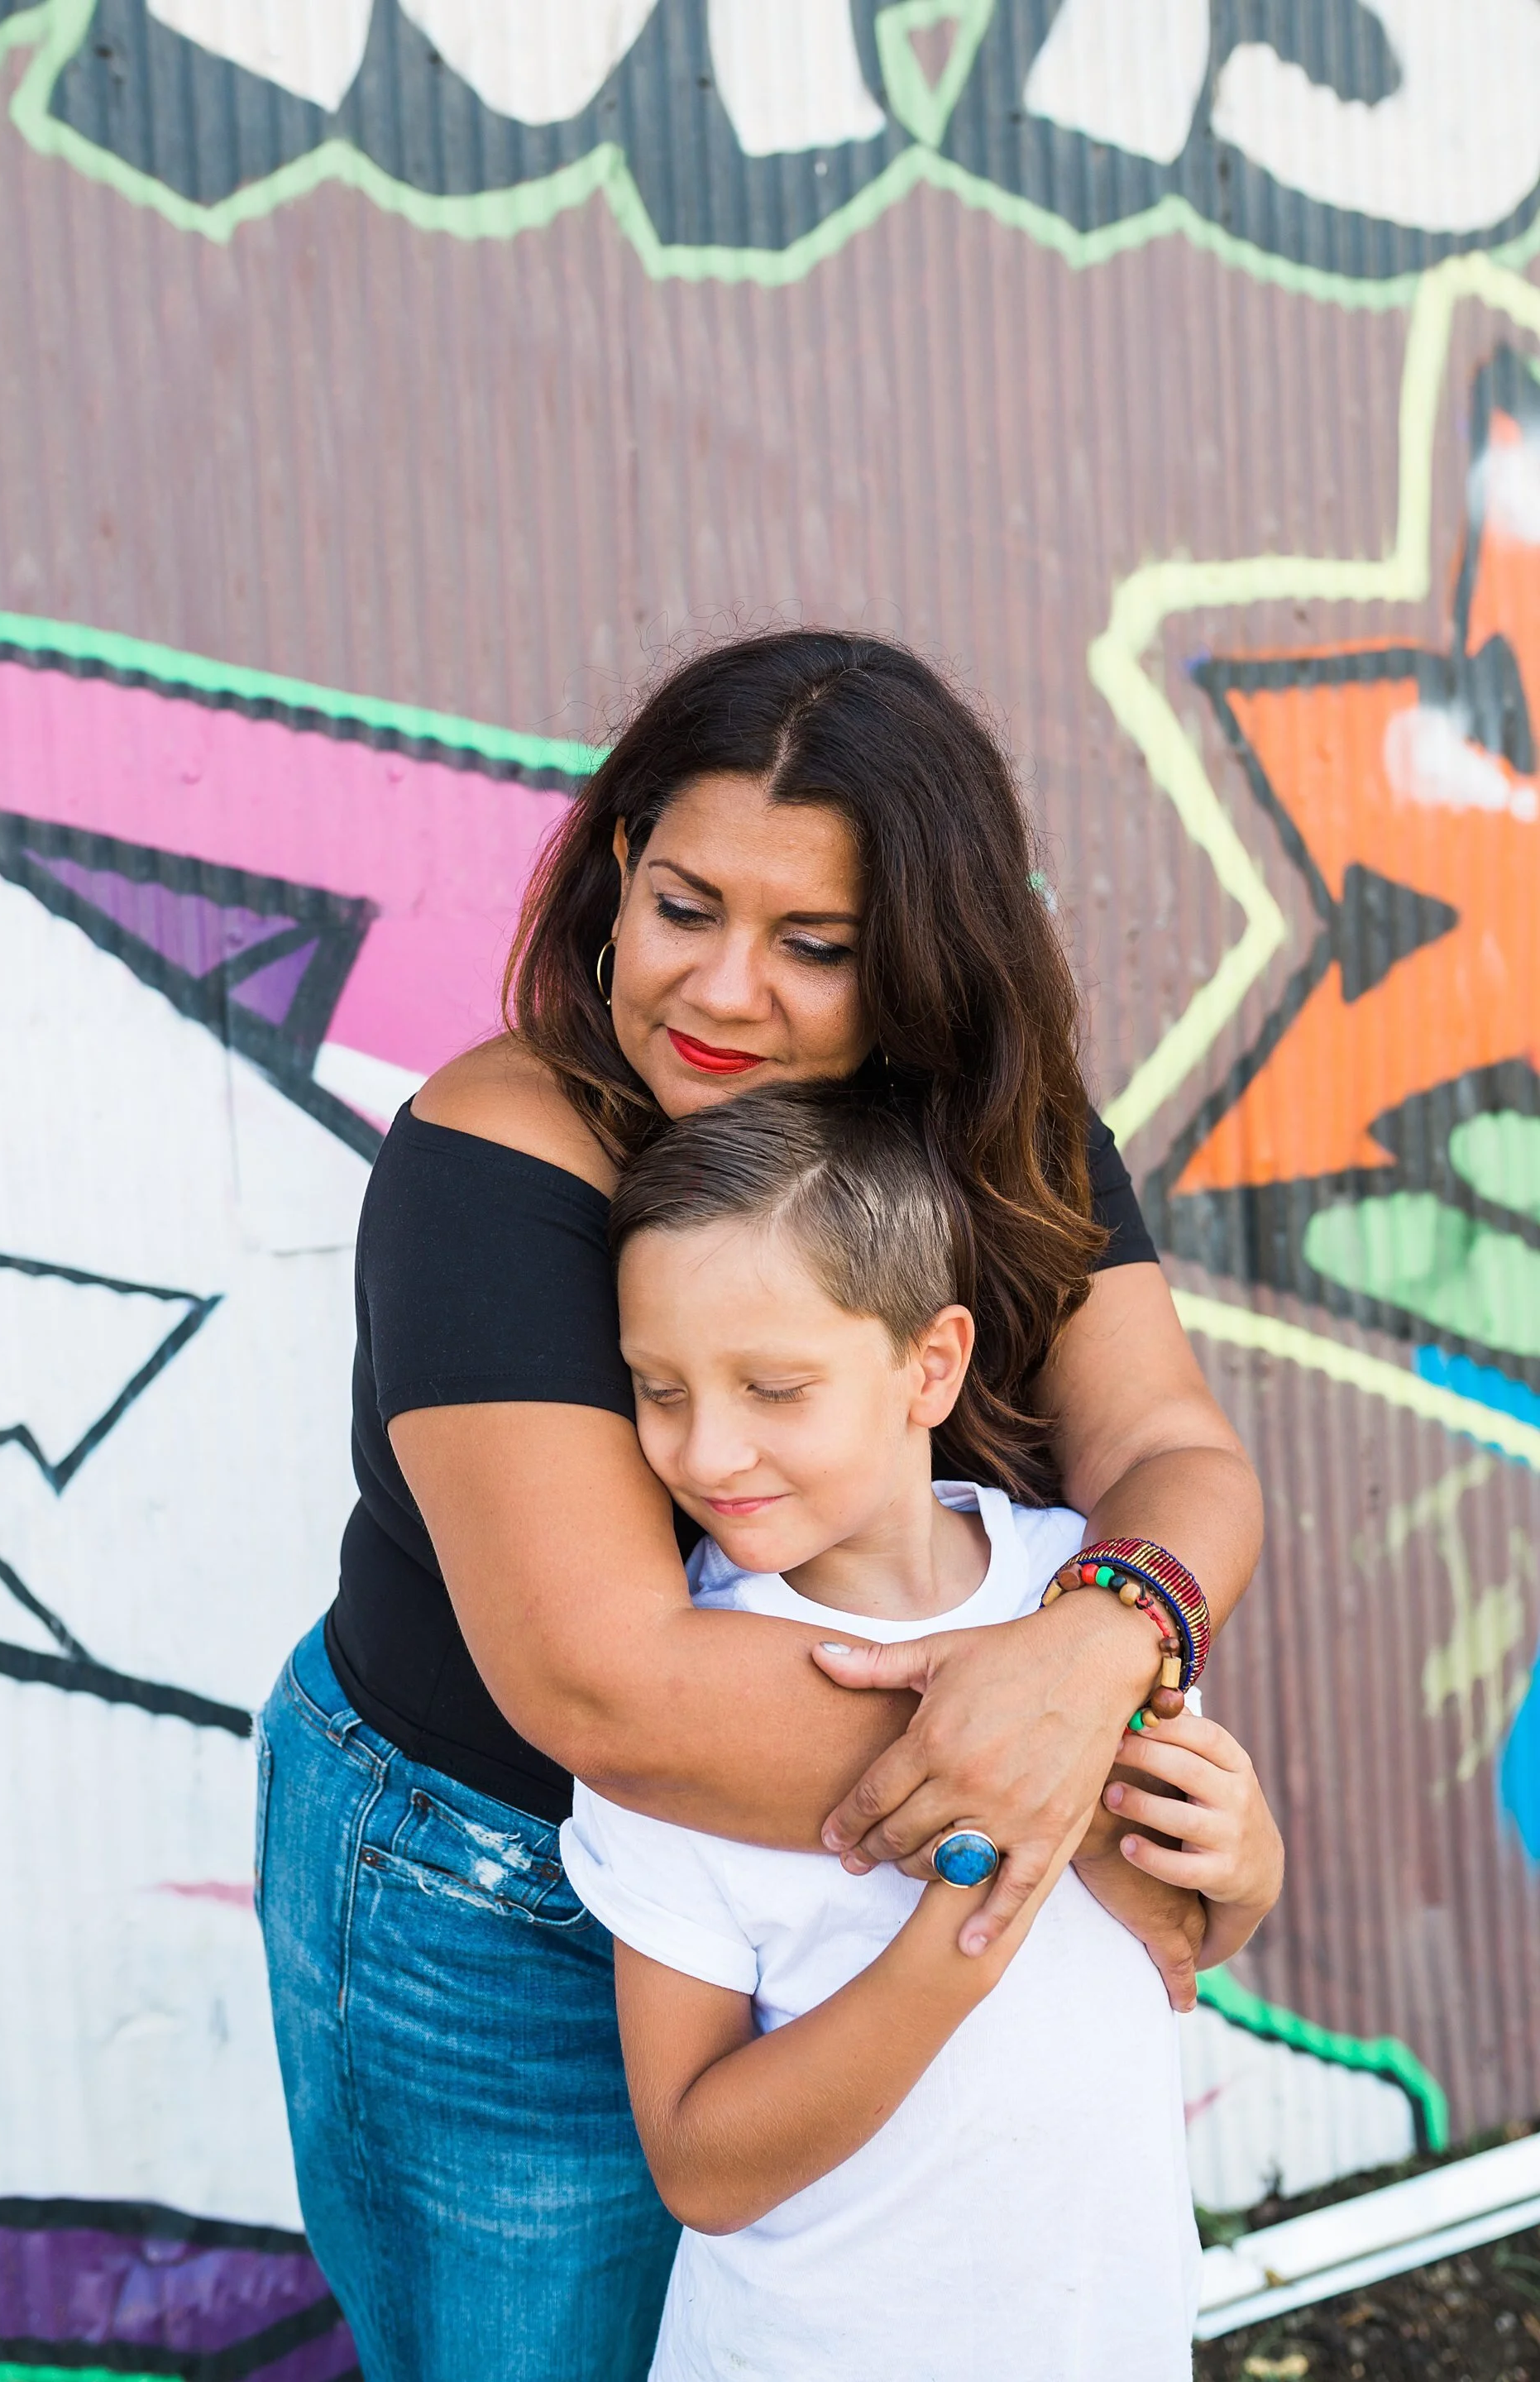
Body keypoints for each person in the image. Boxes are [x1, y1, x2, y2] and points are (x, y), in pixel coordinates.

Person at [256, 630, 1265, 2382]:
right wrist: (1077, 1778)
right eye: (684, 907)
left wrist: (1110, 1635)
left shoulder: (997, 1132)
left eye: (816, 947)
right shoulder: (502, 1153)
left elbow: (1173, 1454)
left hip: (862, 1896)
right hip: (509, 1903)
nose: (724, 992)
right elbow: (612, 1689)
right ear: (614, 875)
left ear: (927, 967)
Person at [563, 1084, 1283, 2381]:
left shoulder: (1082, 1602)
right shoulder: (679, 1719)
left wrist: (1245, 1862)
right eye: (657, 1390)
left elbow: (1182, 1944)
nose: (706, 1447)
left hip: (1103, 2338)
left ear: (931, 1364)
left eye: (774, 1388)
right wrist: (955, 1946)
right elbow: (698, 2162)